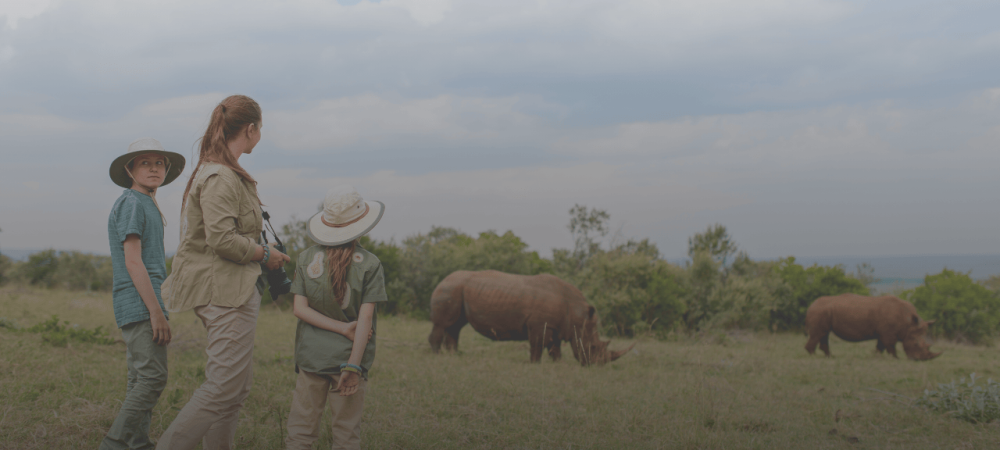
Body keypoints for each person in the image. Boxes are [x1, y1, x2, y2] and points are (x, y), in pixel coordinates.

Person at [156, 95, 290, 450]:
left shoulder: (225, 172)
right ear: (250, 129)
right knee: (222, 388)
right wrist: (265, 254)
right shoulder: (220, 175)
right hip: (224, 293)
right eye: (260, 128)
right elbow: (221, 239)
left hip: (234, 290)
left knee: (235, 389)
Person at [285, 185, 387, 450]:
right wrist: (353, 366)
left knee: (301, 430)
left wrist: (341, 329)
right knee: (346, 432)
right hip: (348, 361)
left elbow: (300, 309)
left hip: (311, 358)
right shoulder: (371, 263)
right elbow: (365, 321)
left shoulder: (306, 258)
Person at [102, 137, 186, 450]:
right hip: (140, 303)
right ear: (130, 168)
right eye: (145, 163)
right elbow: (133, 260)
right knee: (152, 378)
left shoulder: (147, 203)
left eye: (159, 163)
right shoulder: (132, 202)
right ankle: (114, 444)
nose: (154, 168)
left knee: (139, 378)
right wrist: (155, 311)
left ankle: (137, 444)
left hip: (145, 301)